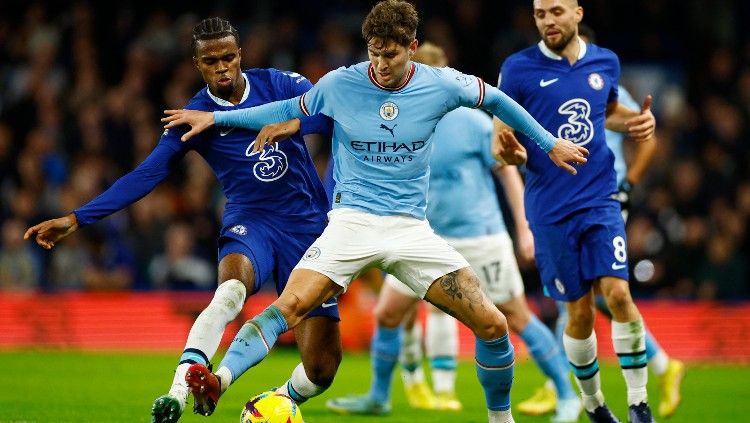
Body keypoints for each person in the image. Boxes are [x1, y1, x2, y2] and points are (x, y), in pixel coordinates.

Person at [161, 2, 589, 422]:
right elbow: (287, 110)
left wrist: (549, 143)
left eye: (391, 54)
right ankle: (220, 379)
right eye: (374, 52)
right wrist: (217, 119)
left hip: (410, 231)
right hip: (351, 224)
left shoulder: (441, 84)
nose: (381, 64)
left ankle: (501, 419)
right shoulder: (341, 83)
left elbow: (498, 101)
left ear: (412, 47)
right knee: (287, 307)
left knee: (494, 325)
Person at [23, 17, 342, 423]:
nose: (222, 67)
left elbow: (331, 118)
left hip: (307, 226)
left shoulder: (280, 84)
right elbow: (147, 173)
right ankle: (177, 392)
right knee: (230, 292)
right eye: (211, 61)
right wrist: (77, 218)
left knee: (322, 369)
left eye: (229, 57)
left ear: (240, 55)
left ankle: (271, 401)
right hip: (252, 223)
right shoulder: (194, 115)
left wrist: (290, 126)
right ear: (197, 64)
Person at [323, 42, 582, 423]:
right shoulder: (396, 122)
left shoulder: (473, 122)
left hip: (480, 236)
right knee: (389, 313)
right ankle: (379, 396)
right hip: (423, 238)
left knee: (515, 315)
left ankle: (566, 395)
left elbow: (507, 171)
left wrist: (524, 228)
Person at [493, 1, 659, 422]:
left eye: (556, 11)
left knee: (619, 294)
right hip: (550, 208)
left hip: (599, 198)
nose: (548, 21)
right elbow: (501, 141)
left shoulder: (606, 62)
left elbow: (605, 112)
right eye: (539, 14)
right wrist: (509, 151)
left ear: (578, 13)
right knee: (579, 311)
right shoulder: (517, 69)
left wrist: (636, 123)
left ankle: (639, 403)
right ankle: (593, 403)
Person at [518, 23, 686, 420]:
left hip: (601, 197)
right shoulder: (541, 79)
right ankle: (655, 365)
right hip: (559, 201)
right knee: (582, 303)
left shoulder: (604, 80)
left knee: (610, 294)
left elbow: (644, 132)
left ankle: (567, 386)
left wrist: (629, 183)